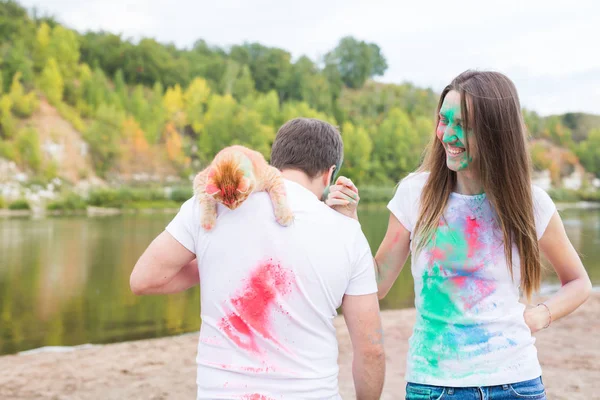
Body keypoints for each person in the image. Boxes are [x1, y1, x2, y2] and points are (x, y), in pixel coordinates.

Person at [327, 70, 592, 399]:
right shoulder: (415, 194)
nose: (447, 135)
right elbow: (377, 284)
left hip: (516, 384)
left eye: (463, 125)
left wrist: (541, 314)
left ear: (496, 133)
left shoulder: (531, 202)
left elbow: (579, 283)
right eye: (443, 120)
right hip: (433, 385)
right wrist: (349, 223)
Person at [130, 118, 385, 400]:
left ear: (275, 162)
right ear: (329, 173)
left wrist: (212, 259)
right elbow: (371, 349)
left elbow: (144, 279)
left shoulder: (212, 202)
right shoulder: (348, 232)